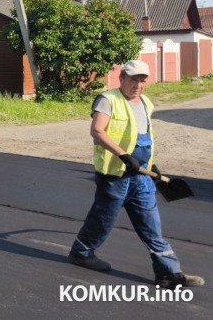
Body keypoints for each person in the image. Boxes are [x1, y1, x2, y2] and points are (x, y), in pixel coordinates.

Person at [68, 60, 204, 289]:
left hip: (141, 177)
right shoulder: (108, 100)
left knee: (152, 226)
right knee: (102, 220)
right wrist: (123, 155)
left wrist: (152, 165)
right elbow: (97, 131)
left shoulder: (146, 103)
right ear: (121, 78)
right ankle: (81, 253)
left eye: (142, 81)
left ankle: (169, 273)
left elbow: (143, 137)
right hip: (115, 176)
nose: (137, 85)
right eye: (133, 80)